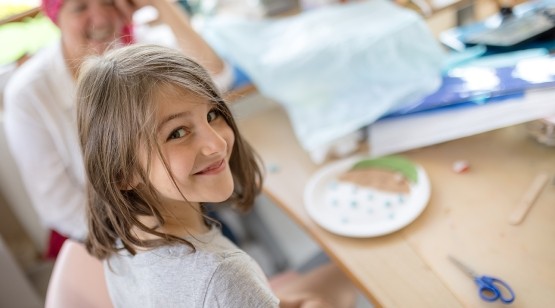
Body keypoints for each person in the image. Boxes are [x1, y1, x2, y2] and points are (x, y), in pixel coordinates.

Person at [76, 43, 356, 307]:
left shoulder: (122, 234)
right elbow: (219, 290)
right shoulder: (223, 275)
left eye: (211, 115)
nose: (217, 143)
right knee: (349, 278)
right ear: (123, 173)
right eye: (177, 133)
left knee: (340, 277)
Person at [3, 0, 233, 258]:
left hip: (182, 205)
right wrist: (155, 240)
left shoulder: (141, 48)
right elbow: (58, 205)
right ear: (56, 18)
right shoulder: (29, 94)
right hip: (110, 237)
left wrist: (162, 5)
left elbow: (216, 79)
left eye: (109, 2)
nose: (101, 19)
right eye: (80, 8)